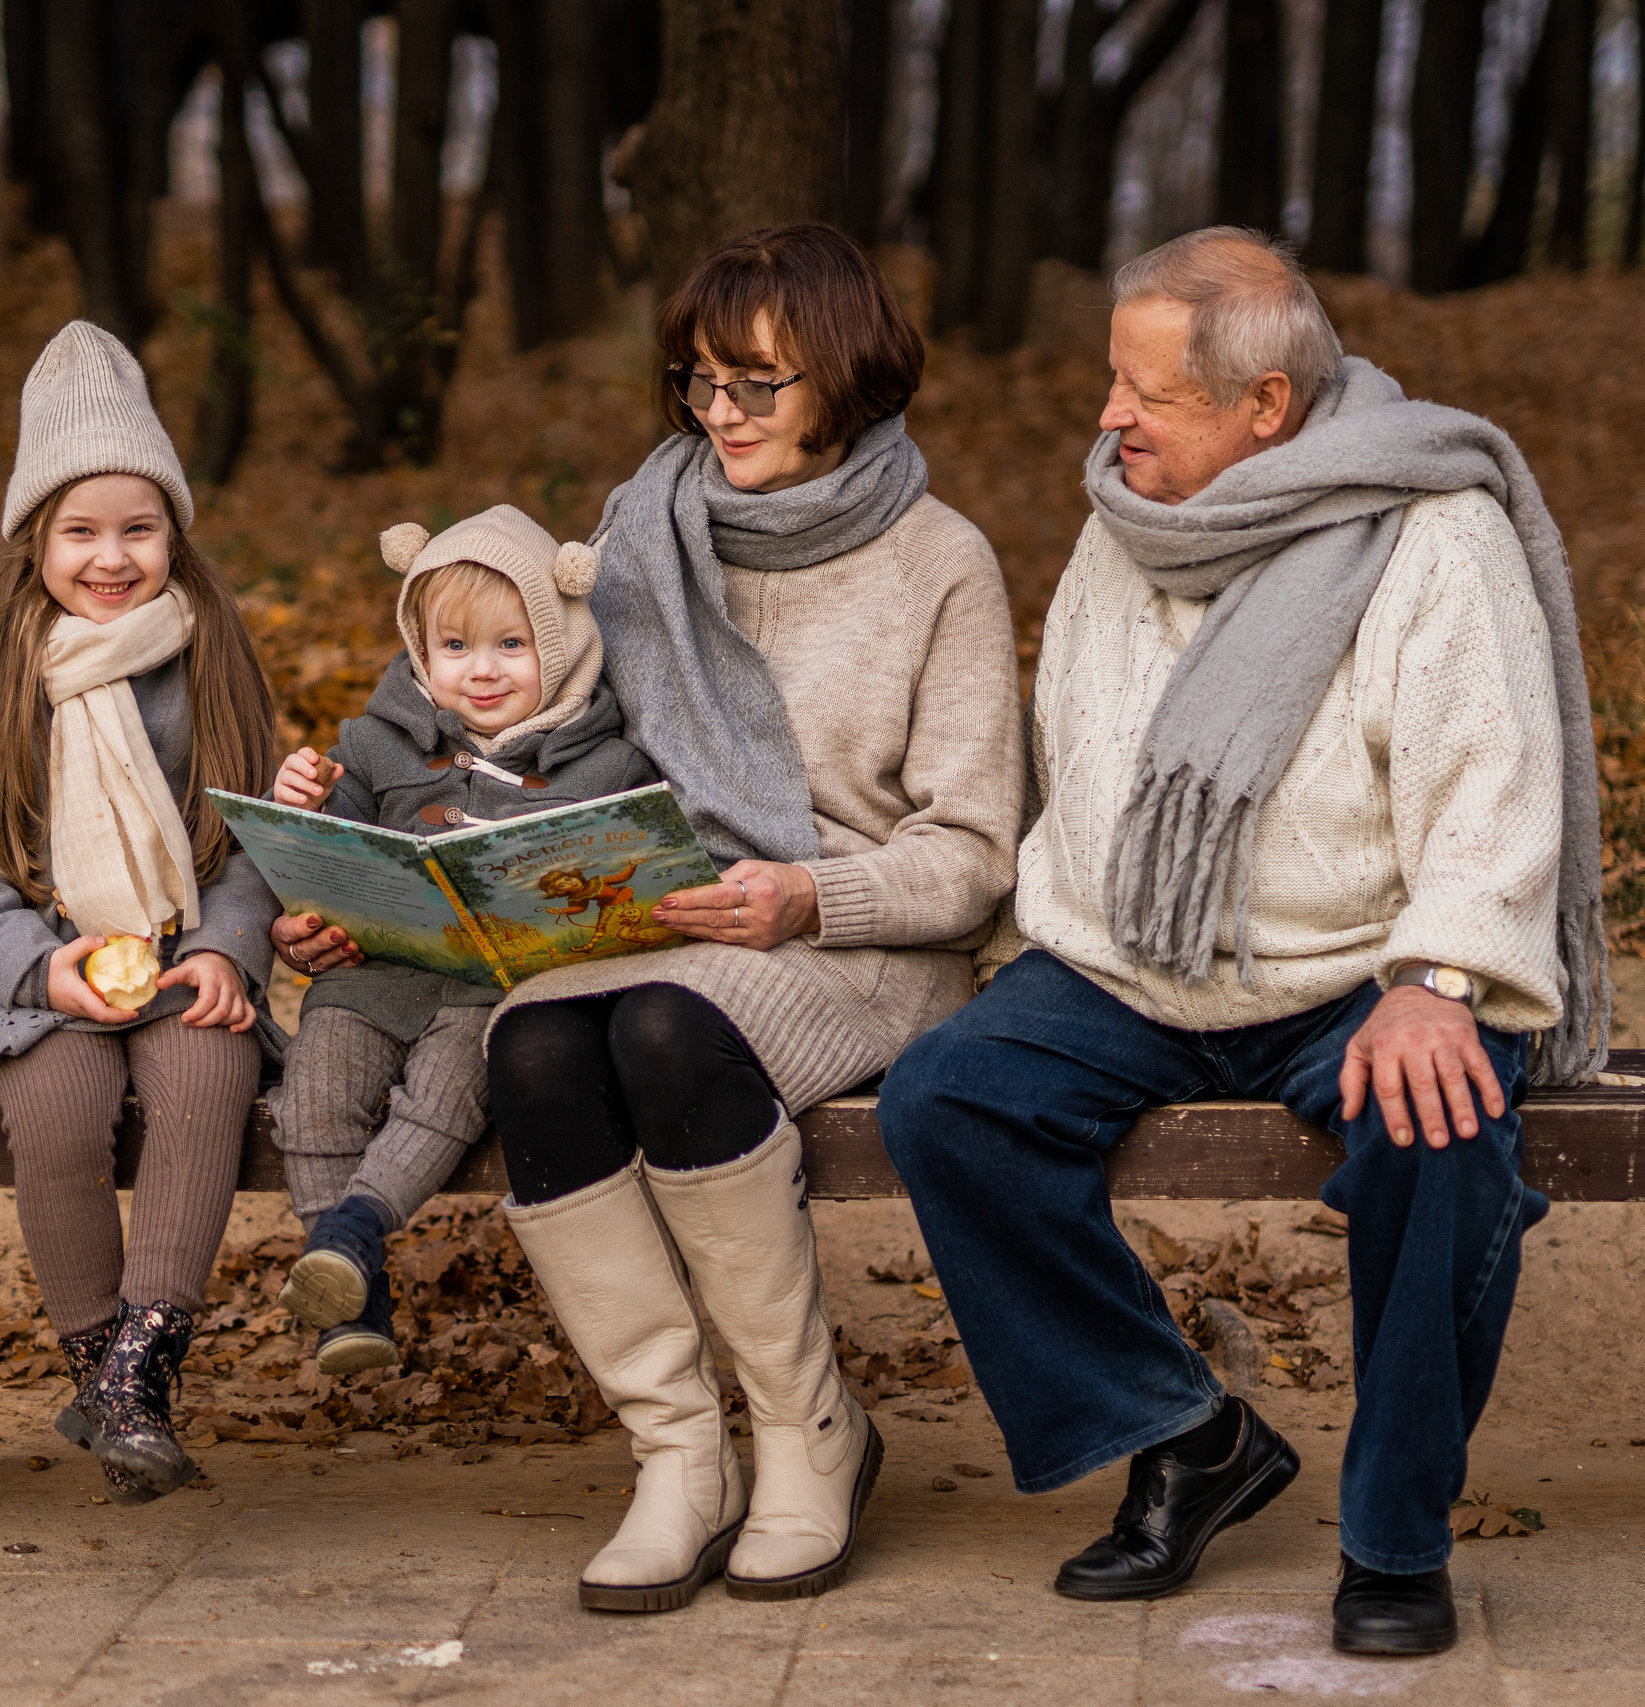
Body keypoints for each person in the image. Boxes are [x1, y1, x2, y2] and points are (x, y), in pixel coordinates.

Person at [879, 228, 1609, 1657]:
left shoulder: (1428, 530)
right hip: (1136, 956)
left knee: (1444, 1131)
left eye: (1143, 392)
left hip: (1364, 964)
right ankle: (1185, 1428)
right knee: (946, 1097)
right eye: (1111, 378)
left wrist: (1439, 981)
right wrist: (1092, 920)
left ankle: (1396, 1534)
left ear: (1265, 405)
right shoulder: (1127, 517)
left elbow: (1494, 781)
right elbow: (1082, 749)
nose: (1106, 416)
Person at [478, 222, 1025, 1613]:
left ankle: (807, 1433)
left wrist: (804, 895)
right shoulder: (636, 537)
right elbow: (547, 733)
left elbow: (972, 853)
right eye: (698, 384)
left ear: (844, 381)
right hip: (670, 916)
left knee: (667, 1032)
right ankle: (678, 1454)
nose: (717, 417)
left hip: (862, 940)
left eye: (755, 386)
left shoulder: (939, 559)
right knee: (533, 1050)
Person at [0, 321, 281, 1505]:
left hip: (180, 953)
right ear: (36, 539)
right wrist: (37, 969)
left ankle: (138, 1371)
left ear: (176, 530)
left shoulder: (211, 649)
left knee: (207, 1084)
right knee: (66, 1114)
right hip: (44, 967)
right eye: (81, 532)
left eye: (140, 528)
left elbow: (246, 836)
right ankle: (102, 1369)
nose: (112, 557)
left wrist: (227, 949)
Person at [261, 506, 655, 1376]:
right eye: (455, 647)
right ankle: (350, 1303)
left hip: (500, 993)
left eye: (512, 645)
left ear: (557, 645)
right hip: (377, 975)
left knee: (447, 1086)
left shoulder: (607, 763)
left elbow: (630, 883)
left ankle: (355, 1233)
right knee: (316, 1083)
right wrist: (308, 804)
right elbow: (331, 860)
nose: (482, 671)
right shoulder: (372, 745)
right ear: (420, 653)